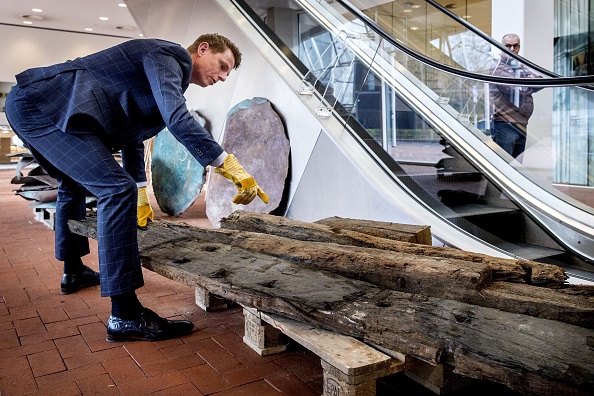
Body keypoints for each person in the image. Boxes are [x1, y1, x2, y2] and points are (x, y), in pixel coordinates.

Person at [5, 33, 269, 342]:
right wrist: (225, 162)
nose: (224, 77)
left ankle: (73, 271)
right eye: (223, 66)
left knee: (73, 184)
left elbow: (131, 136)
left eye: (228, 73)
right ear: (203, 49)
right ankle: (125, 315)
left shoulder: (167, 81)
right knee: (116, 190)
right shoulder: (168, 56)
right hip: (42, 105)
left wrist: (142, 192)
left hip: (37, 105)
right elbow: (176, 117)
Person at [490, 33, 542, 160]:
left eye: (516, 46)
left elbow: (540, 81)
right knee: (504, 167)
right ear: (501, 47)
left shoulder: (519, 64)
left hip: (522, 123)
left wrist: (527, 83)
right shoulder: (498, 66)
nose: (512, 49)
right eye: (508, 46)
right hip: (504, 124)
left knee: (517, 168)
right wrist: (528, 82)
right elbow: (515, 88)